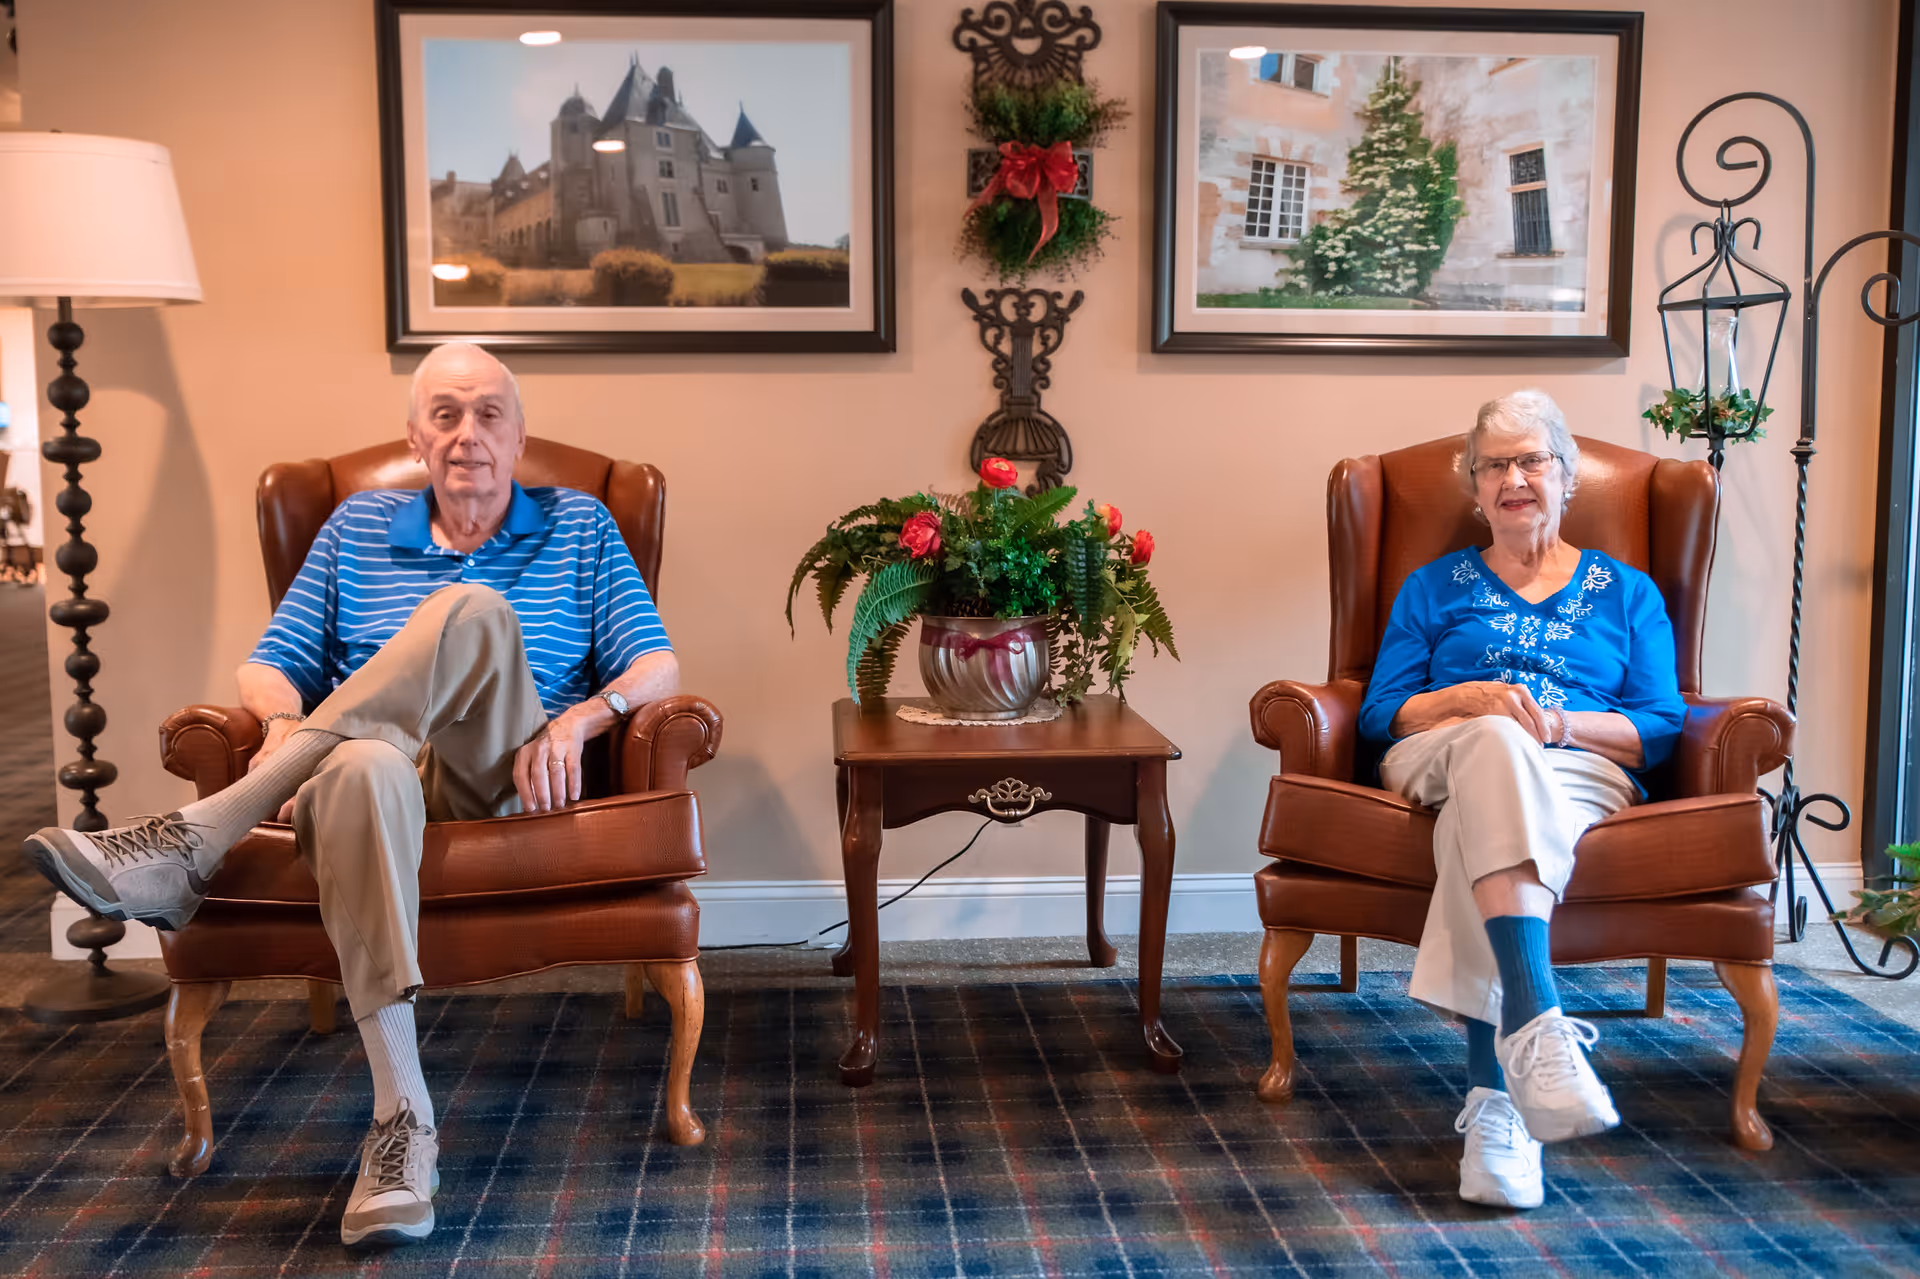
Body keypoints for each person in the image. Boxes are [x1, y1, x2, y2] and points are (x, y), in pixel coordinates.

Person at [25, 342, 678, 1247]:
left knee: (473, 611)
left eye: (489, 414)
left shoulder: (580, 522)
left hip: (498, 772)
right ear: (415, 438)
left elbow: (657, 662)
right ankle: (402, 1122)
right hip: (369, 784)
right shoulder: (355, 527)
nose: (467, 435)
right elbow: (267, 665)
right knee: (362, 765)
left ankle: (200, 836)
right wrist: (289, 723)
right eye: (444, 415)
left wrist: (580, 721)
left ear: (519, 436)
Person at [1357, 389, 1687, 1211]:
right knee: (1492, 744)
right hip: (1438, 751)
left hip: (1575, 764)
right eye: (1494, 464)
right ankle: (1537, 1020)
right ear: (1473, 488)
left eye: (1532, 459)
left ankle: (1497, 1107)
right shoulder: (1432, 588)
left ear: (1567, 476)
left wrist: (1561, 724)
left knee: (1487, 803)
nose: (1514, 478)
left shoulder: (1629, 593)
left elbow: (1660, 726)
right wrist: (1471, 700)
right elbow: (1379, 711)